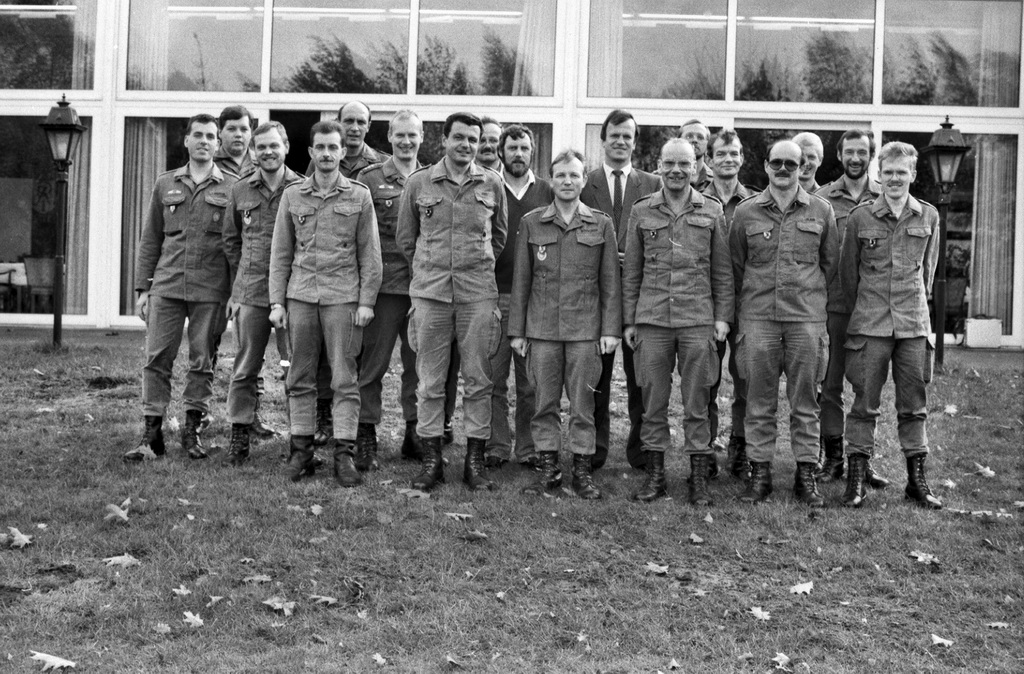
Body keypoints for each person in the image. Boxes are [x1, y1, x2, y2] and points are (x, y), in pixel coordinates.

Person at [396, 112, 508, 492]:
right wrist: (432, 269)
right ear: (443, 140)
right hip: (431, 295)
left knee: (478, 380)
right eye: (459, 137)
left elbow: (498, 237)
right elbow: (407, 239)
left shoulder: (492, 183)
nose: (466, 145)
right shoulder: (419, 182)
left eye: (473, 139)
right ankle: (432, 461)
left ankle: (474, 462)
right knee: (430, 381)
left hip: (477, 295)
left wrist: (473, 267)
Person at [269, 120, 382, 487]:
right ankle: (301, 452)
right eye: (321, 147)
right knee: (299, 377)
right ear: (311, 152)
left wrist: (366, 302)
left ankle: (343, 455)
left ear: (343, 151)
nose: (328, 153)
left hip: (343, 299)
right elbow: (280, 254)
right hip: (301, 296)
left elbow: (370, 255)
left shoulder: (359, 195)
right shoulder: (293, 196)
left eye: (334, 147)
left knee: (344, 379)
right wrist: (277, 302)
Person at [623, 139, 733, 505]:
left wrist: (722, 317)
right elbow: (631, 271)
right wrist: (629, 321)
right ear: (658, 165)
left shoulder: (712, 210)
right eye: (669, 163)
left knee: (697, 400)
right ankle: (655, 476)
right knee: (652, 400)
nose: (676, 170)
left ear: (697, 167)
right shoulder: (642, 210)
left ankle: (698, 477)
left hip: (697, 319)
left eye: (684, 164)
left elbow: (722, 271)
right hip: (652, 319)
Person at [730, 140, 838, 506]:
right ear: (765, 165)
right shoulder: (746, 212)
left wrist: (810, 301)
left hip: (805, 319)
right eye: (776, 162)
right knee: (758, 401)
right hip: (758, 317)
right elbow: (736, 265)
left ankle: (805, 474)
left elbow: (830, 265)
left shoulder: (821, 211)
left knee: (805, 401)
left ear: (802, 167)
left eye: (791, 164)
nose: (783, 170)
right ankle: (760, 474)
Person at [510, 149, 621, 499]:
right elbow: (522, 281)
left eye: (574, 175)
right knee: (543, 402)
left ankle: (582, 471)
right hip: (542, 330)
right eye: (561, 175)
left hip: (585, 332)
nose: (567, 181)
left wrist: (610, 330)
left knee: (583, 404)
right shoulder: (532, 222)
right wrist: (517, 331)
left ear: (584, 180)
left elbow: (610, 283)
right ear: (551, 179)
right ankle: (548, 469)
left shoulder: (601, 224)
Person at [126, 113, 235, 462]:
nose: (204, 141)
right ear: (186, 140)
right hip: (168, 285)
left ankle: (192, 430)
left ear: (218, 144)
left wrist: (235, 293)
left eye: (211, 136)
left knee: (202, 360)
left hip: (211, 288)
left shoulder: (233, 187)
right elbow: (150, 239)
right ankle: (151, 434)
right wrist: (143, 289)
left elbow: (236, 246)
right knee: (157, 358)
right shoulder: (165, 184)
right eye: (198, 135)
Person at [840, 141, 941, 509]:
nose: (895, 178)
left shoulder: (928, 216)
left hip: (912, 324)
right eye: (889, 172)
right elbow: (848, 275)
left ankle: (917, 482)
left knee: (914, 405)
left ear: (912, 174)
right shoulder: (860, 218)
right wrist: (865, 311)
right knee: (864, 404)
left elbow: (927, 273)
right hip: (871, 325)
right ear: (878, 175)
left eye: (902, 172)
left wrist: (913, 308)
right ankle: (856, 479)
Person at [302, 101, 390, 447]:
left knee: (359, 356)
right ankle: (325, 415)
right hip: (325, 274)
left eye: (360, 122)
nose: (354, 127)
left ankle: (361, 428)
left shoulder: (381, 165)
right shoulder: (319, 161)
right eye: (348, 121)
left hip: (367, 272)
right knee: (325, 353)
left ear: (369, 126)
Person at [580, 109, 660, 471]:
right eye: (614, 135)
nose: (620, 141)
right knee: (595, 377)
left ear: (635, 142)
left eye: (627, 135)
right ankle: (593, 450)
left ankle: (641, 450)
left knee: (641, 377)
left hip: (641, 296)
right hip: (596, 296)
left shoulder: (653, 184)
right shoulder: (585, 183)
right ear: (603, 139)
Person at [222, 122, 303, 466]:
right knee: (245, 367)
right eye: (262, 147)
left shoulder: (301, 188)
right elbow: (231, 241)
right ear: (254, 151)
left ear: (286, 147)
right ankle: (240, 433)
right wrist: (241, 279)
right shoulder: (240, 190)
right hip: (252, 291)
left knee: (295, 368)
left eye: (274, 145)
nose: (268, 152)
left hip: (292, 293)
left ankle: (300, 438)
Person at [814, 129, 886, 488]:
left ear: (870, 155)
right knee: (829, 386)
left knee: (866, 387)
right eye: (850, 152)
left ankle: (862, 458)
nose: (856, 158)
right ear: (839, 155)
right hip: (833, 307)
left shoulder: (885, 197)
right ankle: (833, 459)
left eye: (862, 152)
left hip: (872, 309)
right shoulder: (822, 199)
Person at [354, 110, 424, 470]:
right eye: (400, 135)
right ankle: (366, 433)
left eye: (412, 135)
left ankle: (415, 432)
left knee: (419, 367)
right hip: (383, 289)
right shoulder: (369, 178)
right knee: (373, 365)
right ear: (389, 137)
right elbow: (361, 236)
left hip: (422, 289)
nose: (406, 141)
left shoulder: (431, 179)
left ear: (421, 138)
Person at [485, 123, 554, 470]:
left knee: (531, 383)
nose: (518, 154)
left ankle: (529, 447)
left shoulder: (548, 191)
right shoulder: (487, 187)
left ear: (532, 153)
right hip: (494, 296)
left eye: (524, 148)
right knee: (493, 378)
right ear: (501, 151)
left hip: (534, 301)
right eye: (512, 148)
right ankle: (496, 446)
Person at [702, 129, 756, 479]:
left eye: (734, 153)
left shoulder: (755, 203)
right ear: (708, 160)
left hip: (747, 303)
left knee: (746, 378)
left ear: (742, 159)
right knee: (705, 380)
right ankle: (705, 448)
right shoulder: (695, 199)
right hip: (704, 304)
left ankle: (740, 445)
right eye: (720, 153)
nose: (728, 159)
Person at [214, 105, 255, 180]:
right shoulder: (210, 163)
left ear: (251, 133)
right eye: (231, 129)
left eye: (244, 129)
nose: (238, 134)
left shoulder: (262, 162)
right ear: (220, 132)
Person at [680, 119, 714, 191]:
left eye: (700, 137)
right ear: (679, 141)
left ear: (707, 143)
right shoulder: (661, 178)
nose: (694, 140)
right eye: (689, 136)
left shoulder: (715, 181)